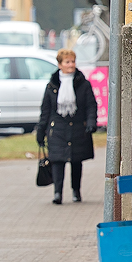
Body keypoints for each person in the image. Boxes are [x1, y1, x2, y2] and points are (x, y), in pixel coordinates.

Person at [36, 48, 97, 204]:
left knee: (76, 161)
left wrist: (91, 123)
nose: (71, 65)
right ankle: (58, 193)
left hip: (78, 128)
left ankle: (76, 191)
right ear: (60, 64)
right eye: (67, 62)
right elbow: (46, 110)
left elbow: (91, 105)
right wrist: (41, 131)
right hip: (57, 129)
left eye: (73, 61)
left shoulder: (83, 84)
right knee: (57, 161)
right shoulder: (52, 86)